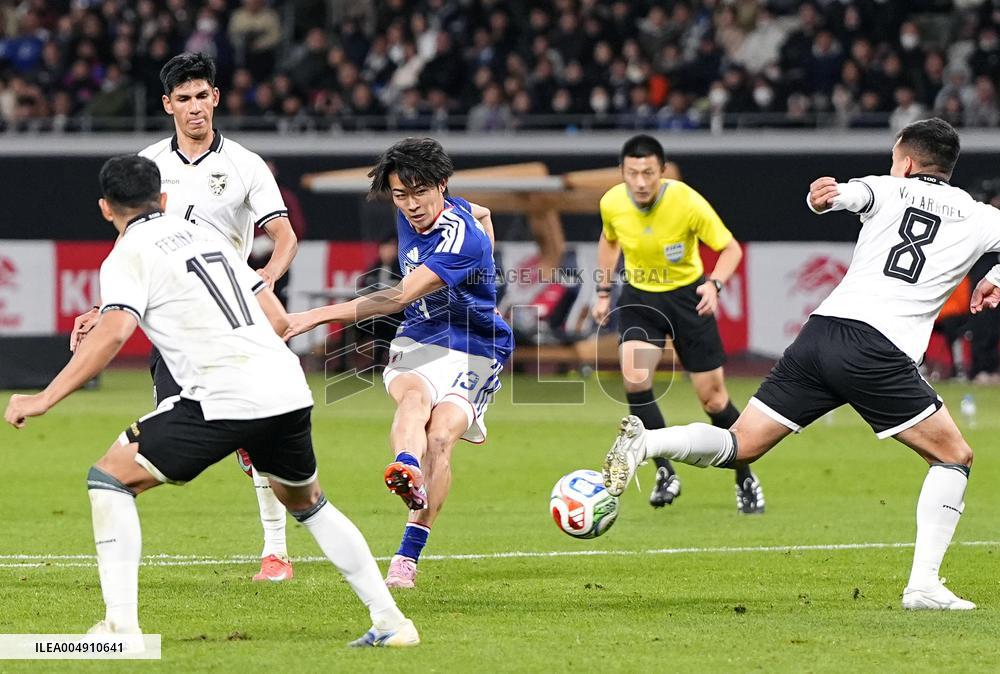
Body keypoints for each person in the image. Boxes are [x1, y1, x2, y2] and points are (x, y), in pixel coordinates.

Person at [3, 155, 419, 646]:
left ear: (104, 209)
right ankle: (392, 623)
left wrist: (45, 397)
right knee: (310, 504)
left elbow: (114, 333)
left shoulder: (126, 254)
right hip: (285, 386)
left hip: (224, 395)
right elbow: (278, 319)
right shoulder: (209, 237)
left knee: (109, 479)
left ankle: (120, 628)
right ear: (162, 199)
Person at [603, 117, 1000, 610]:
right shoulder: (980, 216)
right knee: (954, 456)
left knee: (742, 445)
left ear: (908, 162)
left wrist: (824, 197)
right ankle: (923, 586)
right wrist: (994, 277)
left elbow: (843, 196)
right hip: (880, 350)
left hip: (822, 334)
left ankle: (648, 441)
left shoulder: (885, 188)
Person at [69, 53, 300, 583]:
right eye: (184, 99)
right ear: (167, 104)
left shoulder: (245, 165)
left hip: (234, 321)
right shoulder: (148, 165)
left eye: (203, 96)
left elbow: (283, 237)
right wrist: (106, 307)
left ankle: (276, 553)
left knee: (253, 436)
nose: (195, 108)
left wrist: (261, 284)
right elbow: (135, 250)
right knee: (177, 427)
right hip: (175, 324)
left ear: (216, 98)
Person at [283, 138, 513, 589]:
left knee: (442, 435)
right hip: (422, 337)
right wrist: (492, 283)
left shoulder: (459, 237)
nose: (411, 205)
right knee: (412, 399)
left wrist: (314, 315)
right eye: (400, 195)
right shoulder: (429, 211)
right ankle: (406, 465)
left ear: (442, 186)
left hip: (478, 346)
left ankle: (407, 556)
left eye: (420, 192)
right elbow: (485, 213)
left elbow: (401, 295)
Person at [591, 134, 764, 514]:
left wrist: (714, 284)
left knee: (714, 399)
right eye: (632, 173)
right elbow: (609, 240)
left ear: (662, 172)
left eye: (648, 173)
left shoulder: (686, 200)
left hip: (687, 299)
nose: (640, 181)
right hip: (639, 298)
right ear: (622, 172)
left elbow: (730, 248)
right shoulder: (612, 202)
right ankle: (665, 471)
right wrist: (603, 290)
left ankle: (745, 474)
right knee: (635, 379)